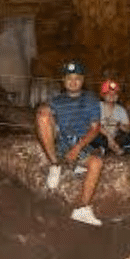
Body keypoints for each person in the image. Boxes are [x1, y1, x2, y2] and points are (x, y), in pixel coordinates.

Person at [35, 60, 105, 226]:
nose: (73, 82)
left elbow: (95, 128)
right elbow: (43, 123)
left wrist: (77, 148)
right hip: (61, 142)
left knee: (96, 163)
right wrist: (44, 113)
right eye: (69, 78)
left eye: (77, 78)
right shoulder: (56, 100)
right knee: (43, 114)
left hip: (81, 143)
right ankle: (55, 164)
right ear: (63, 80)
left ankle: (82, 209)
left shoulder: (91, 99)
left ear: (83, 80)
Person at [90, 79, 130, 155]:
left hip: (115, 137)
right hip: (102, 137)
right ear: (103, 95)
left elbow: (128, 128)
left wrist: (123, 127)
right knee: (93, 134)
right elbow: (93, 125)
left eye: (115, 94)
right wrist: (109, 137)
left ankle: (111, 149)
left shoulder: (120, 109)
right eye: (109, 93)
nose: (112, 96)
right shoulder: (97, 106)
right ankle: (104, 149)